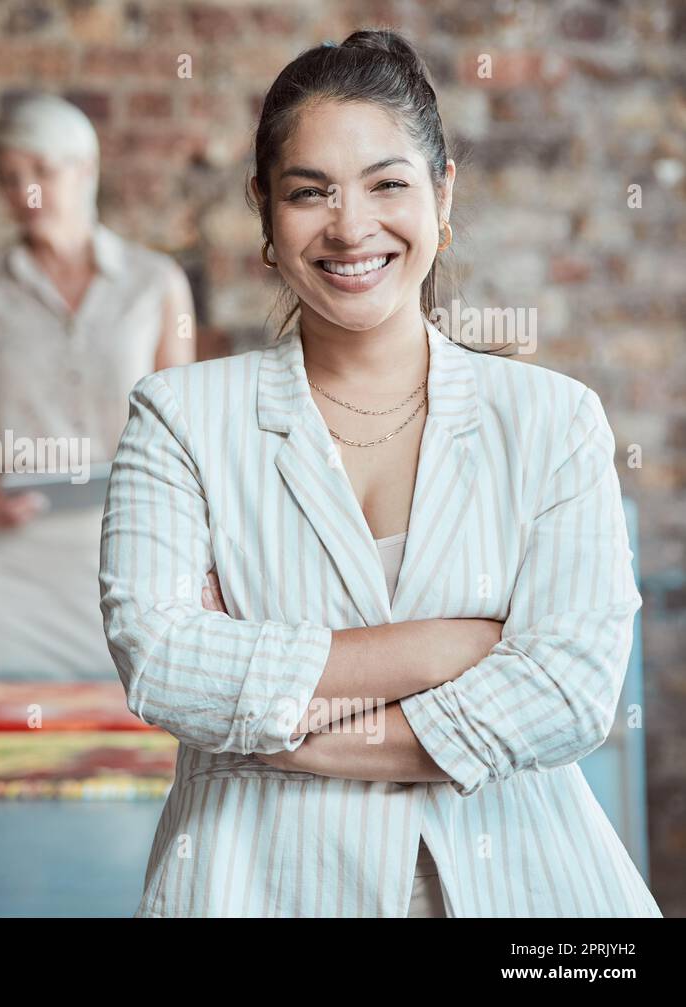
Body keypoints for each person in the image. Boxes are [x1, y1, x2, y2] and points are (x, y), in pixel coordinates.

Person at [99, 30, 662, 918]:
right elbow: (162, 661)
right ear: (264, 213)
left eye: (387, 183)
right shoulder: (179, 417)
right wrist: (448, 646)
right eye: (309, 191)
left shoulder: (554, 421)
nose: (351, 226)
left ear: (443, 194)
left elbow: (568, 691)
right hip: (256, 885)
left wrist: (267, 732)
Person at [0, 92, 196, 681]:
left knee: (128, 743)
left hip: (127, 555)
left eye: (42, 173)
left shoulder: (157, 284)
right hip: (7, 560)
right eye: (9, 178)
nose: (25, 193)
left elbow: (185, 435)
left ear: (86, 170)